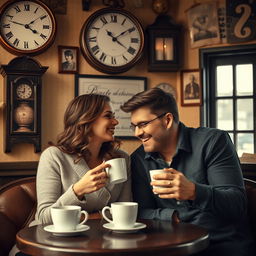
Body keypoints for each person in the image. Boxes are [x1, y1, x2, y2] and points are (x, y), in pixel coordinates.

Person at [120, 88, 255, 256]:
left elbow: (237, 205)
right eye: (134, 126)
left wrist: (194, 192)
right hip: (173, 249)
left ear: (167, 120)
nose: (137, 133)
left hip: (223, 246)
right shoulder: (139, 159)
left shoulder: (213, 142)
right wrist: (174, 216)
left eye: (143, 124)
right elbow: (141, 211)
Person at [10, 94, 131, 256]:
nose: (115, 122)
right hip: (46, 246)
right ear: (86, 119)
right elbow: (45, 218)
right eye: (108, 116)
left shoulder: (121, 158)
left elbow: (126, 212)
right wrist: (77, 191)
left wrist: (87, 217)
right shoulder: (54, 156)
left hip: (98, 246)